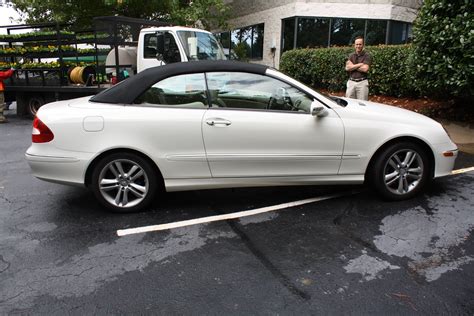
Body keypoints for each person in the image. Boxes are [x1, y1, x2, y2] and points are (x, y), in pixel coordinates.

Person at [345, 36, 371, 101]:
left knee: (363, 104)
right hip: (351, 82)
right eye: (357, 44)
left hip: (362, 83)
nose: (358, 46)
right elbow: (347, 68)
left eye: (360, 44)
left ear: (363, 45)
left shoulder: (367, 55)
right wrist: (359, 64)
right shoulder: (351, 55)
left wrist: (352, 66)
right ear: (354, 45)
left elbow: (365, 69)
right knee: (349, 103)